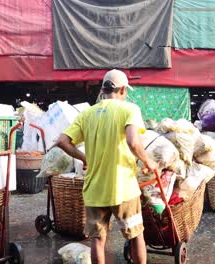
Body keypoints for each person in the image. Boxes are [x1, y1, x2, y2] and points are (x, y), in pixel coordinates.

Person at [56, 69, 157, 264]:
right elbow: (133, 142)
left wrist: (84, 158)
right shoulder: (129, 109)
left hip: (95, 189)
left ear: (103, 89)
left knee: (99, 240)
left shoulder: (87, 114)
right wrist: (148, 161)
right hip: (123, 188)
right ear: (122, 90)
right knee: (136, 235)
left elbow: (62, 141)